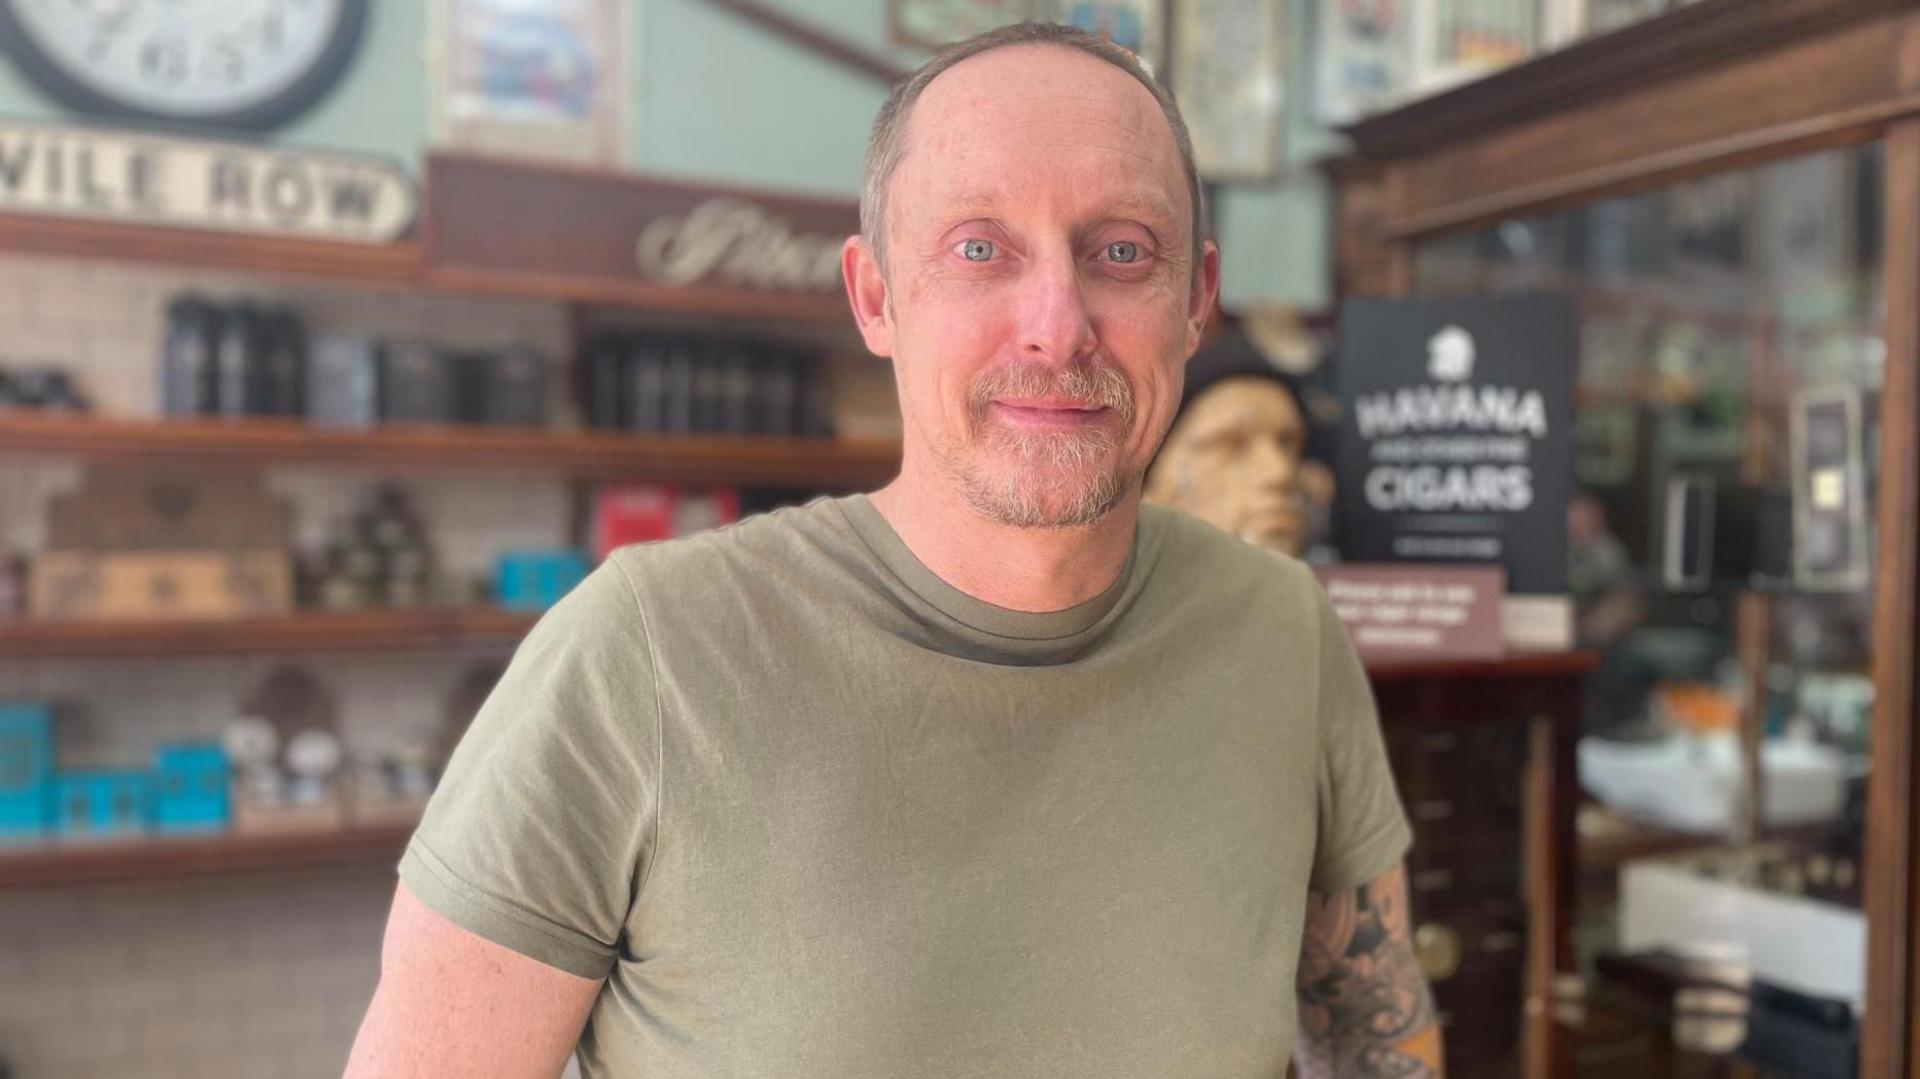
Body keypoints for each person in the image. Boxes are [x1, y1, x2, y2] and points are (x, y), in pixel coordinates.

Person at [347, 23, 1439, 1079]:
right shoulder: (642, 652)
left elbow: (1375, 1037)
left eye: (1120, 251)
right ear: (876, 296)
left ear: (1195, 299)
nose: (1057, 325)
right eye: (979, 249)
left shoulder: (1283, 631)